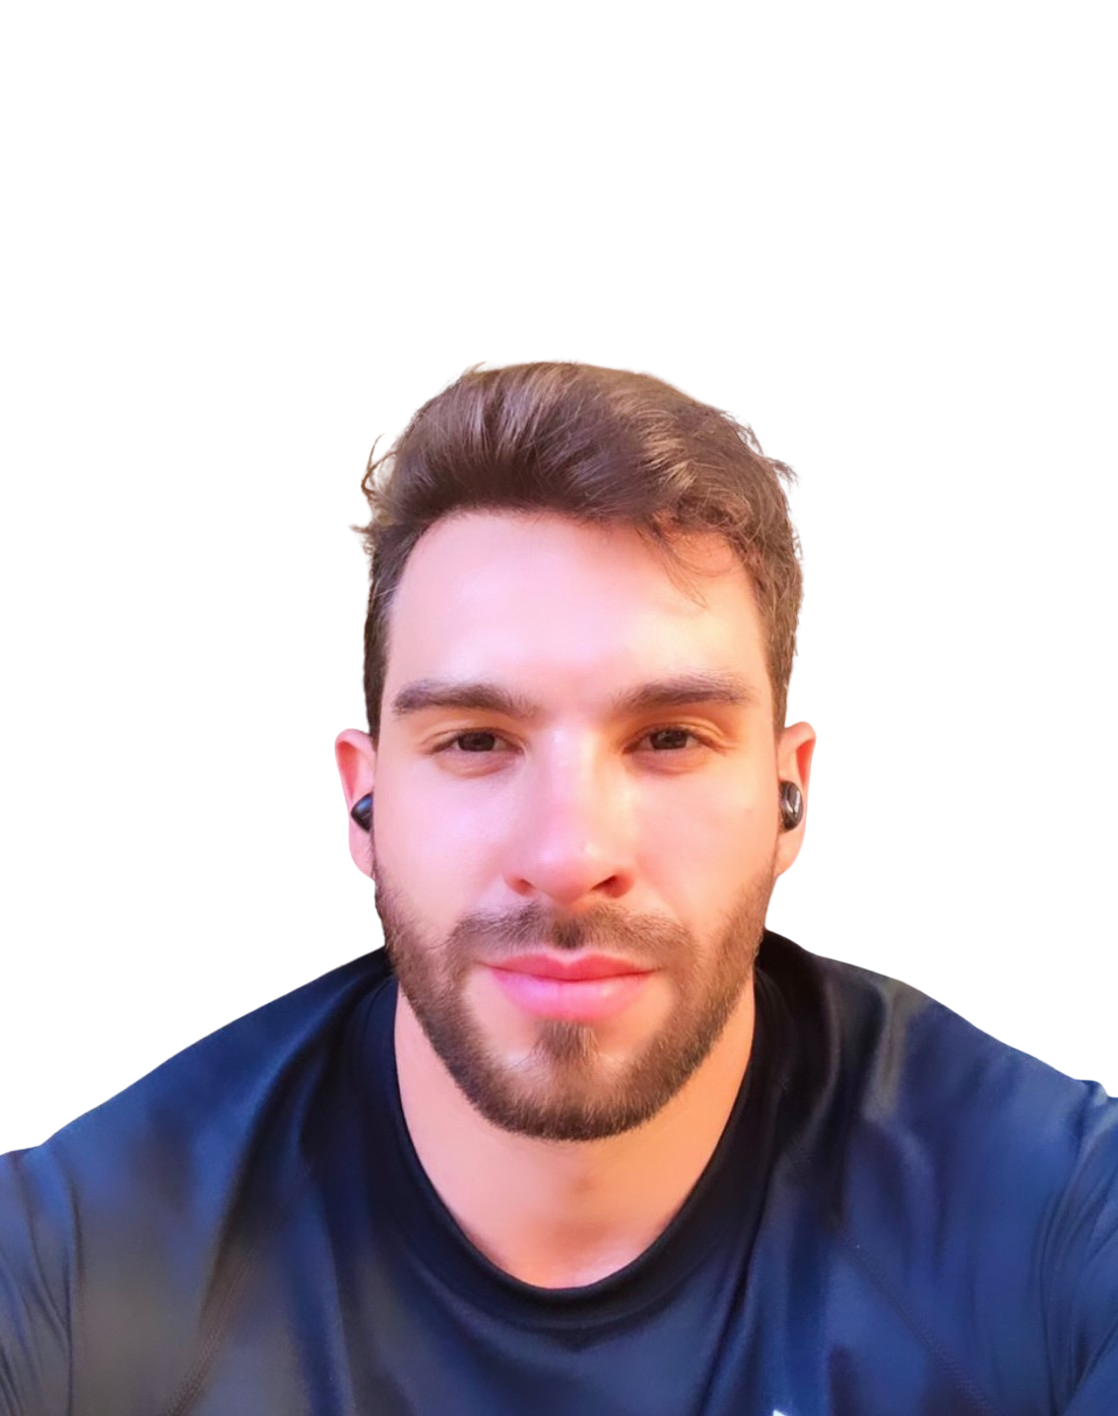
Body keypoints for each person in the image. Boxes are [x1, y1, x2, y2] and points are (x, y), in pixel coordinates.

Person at [2, 359, 1114, 1414]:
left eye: (669, 738)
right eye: (477, 739)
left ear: (792, 796)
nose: (572, 854)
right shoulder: (68, 1256)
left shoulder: (1054, 1212)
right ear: (363, 802)